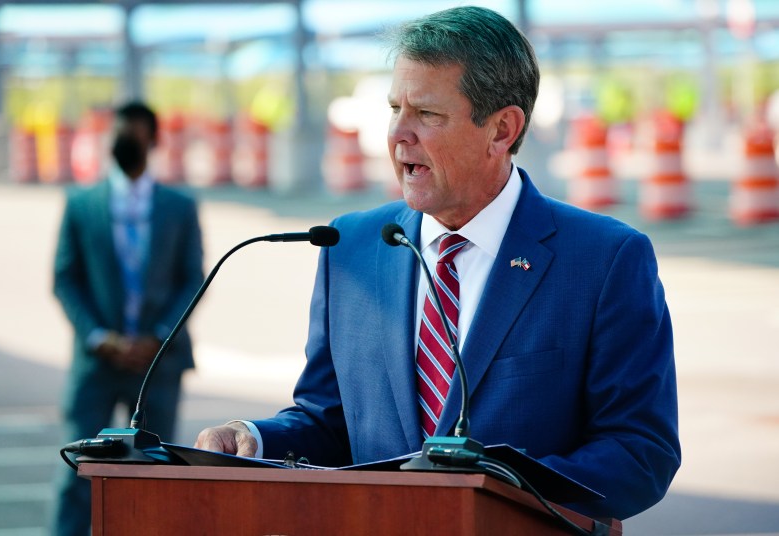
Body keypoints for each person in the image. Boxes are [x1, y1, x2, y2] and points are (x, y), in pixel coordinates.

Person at [195, 6, 680, 521]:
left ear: (501, 130)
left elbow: (640, 451)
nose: (399, 134)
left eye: (427, 114)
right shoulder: (351, 247)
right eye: (394, 109)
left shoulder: (604, 259)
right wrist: (255, 438)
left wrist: (501, 489)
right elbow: (330, 422)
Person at [50, 101, 204, 535]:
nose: (124, 141)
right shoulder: (81, 204)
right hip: (98, 362)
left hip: (158, 363)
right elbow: (65, 278)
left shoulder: (178, 206)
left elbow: (192, 279)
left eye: (133, 133)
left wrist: (158, 336)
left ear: (154, 140)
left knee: (154, 475)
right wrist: (100, 336)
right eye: (118, 133)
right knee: (78, 475)